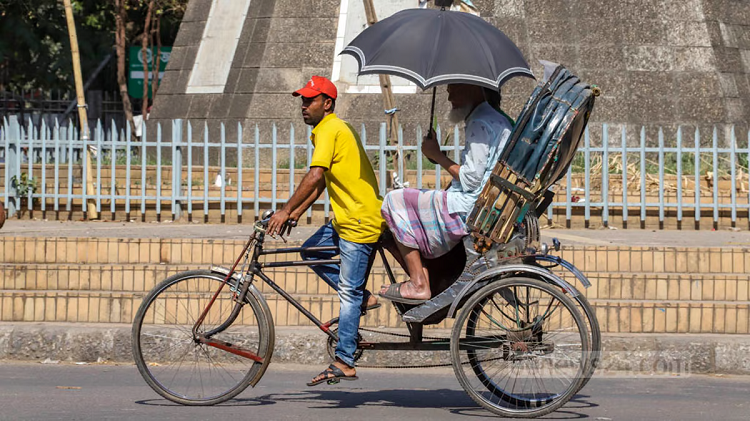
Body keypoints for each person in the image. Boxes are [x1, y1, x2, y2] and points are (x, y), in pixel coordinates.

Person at [266, 76, 385, 386]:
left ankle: (345, 360)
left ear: (327, 103)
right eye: (302, 101)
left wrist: (283, 210)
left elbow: (315, 174)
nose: (304, 106)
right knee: (311, 252)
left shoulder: (331, 129)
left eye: (310, 100)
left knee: (348, 292)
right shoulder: (326, 131)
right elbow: (321, 182)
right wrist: (295, 212)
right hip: (345, 219)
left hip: (358, 222)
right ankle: (364, 297)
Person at [379, 83, 512, 304]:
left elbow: (471, 180)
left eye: (454, 88)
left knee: (394, 200)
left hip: (470, 207)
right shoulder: (496, 118)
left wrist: (437, 155)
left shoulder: (480, 122)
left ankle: (418, 283)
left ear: (473, 90)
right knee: (418, 198)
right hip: (483, 202)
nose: (449, 94)